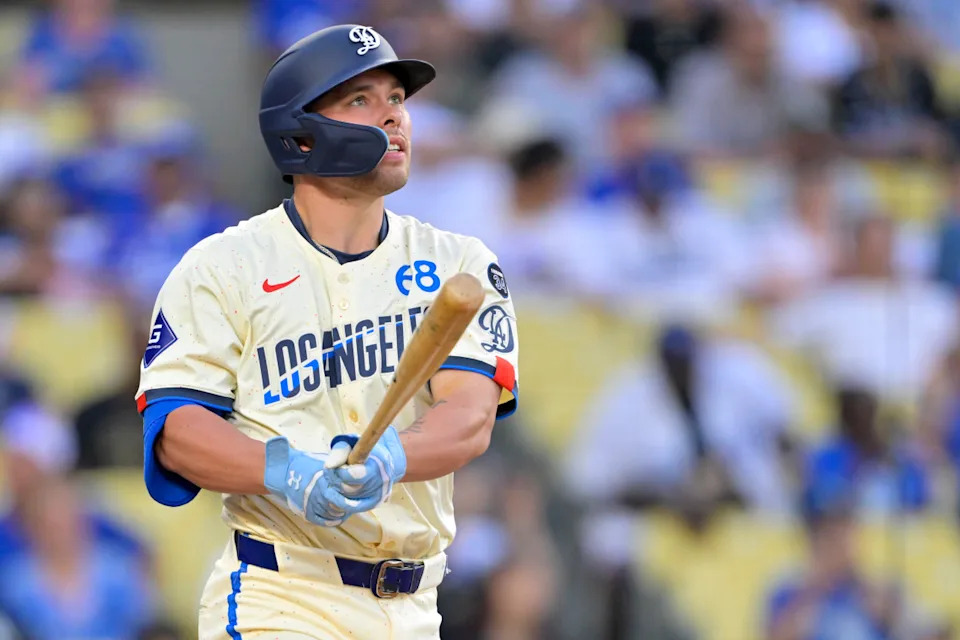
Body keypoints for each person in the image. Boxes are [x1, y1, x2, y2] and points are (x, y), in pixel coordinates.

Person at [135, 25, 519, 639]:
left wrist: (393, 457)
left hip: (416, 603)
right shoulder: (222, 266)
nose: (394, 117)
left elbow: (469, 416)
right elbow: (177, 431)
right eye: (362, 100)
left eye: (397, 99)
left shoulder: (459, 262)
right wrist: (287, 470)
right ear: (301, 134)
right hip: (282, 591)